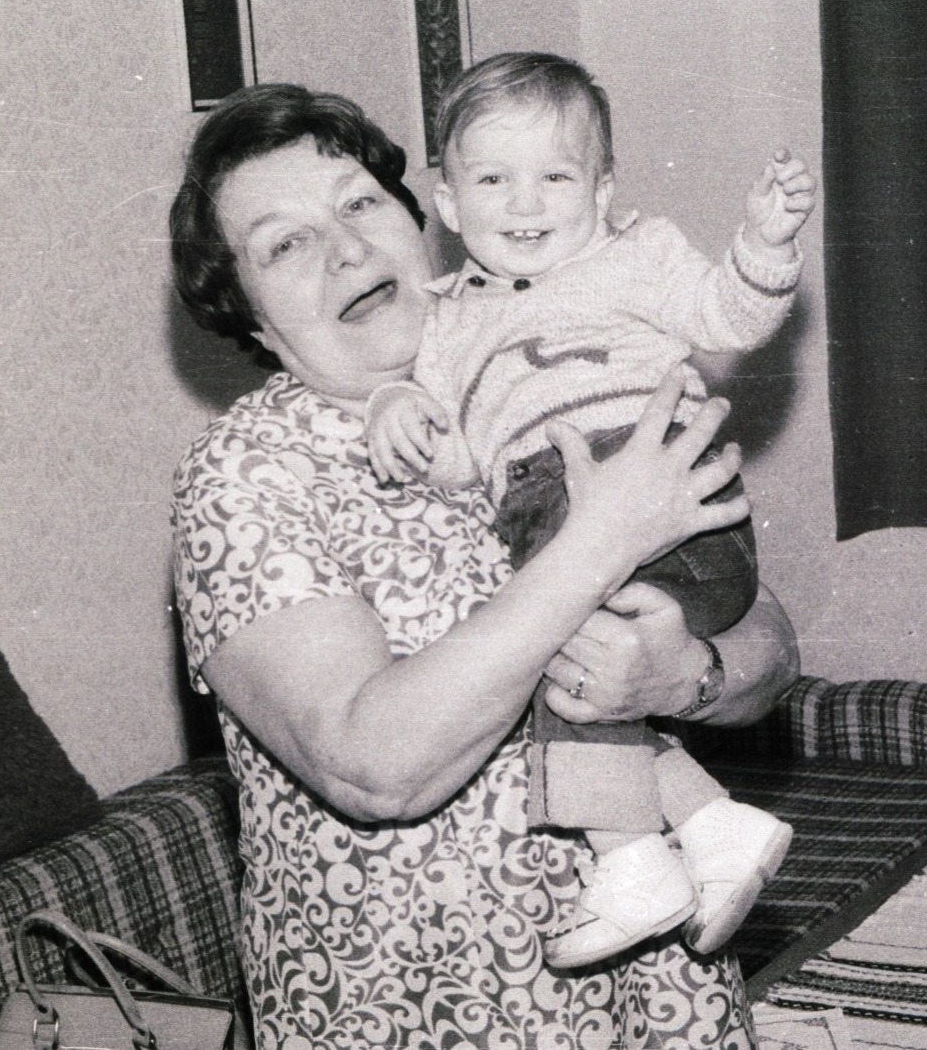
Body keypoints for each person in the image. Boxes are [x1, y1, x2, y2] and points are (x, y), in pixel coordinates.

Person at [168, 83, 801, 1049]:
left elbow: (768, 637)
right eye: (283, 244)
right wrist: (601, 540)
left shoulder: (526, 384)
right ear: (248, 315)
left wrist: (690, 675)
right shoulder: (248, 473)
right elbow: (376, 767)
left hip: (656, 980)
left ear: (427, 221)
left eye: (359, 205)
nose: (343, 249)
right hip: (430, 1003)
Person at [363, 52, 816, 968]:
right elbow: (463, 463)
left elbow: (728, 318)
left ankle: (632, 858)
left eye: (556, 177)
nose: (525, 204)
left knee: (553, 643)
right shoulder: (445, 324)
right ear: (448, 204)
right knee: (569, 667)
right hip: (543, 509)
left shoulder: (634, 255)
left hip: (664, 496)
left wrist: (764, 247)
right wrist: (393, 409)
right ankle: (714, 828)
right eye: (493, 179)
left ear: (604, 191)